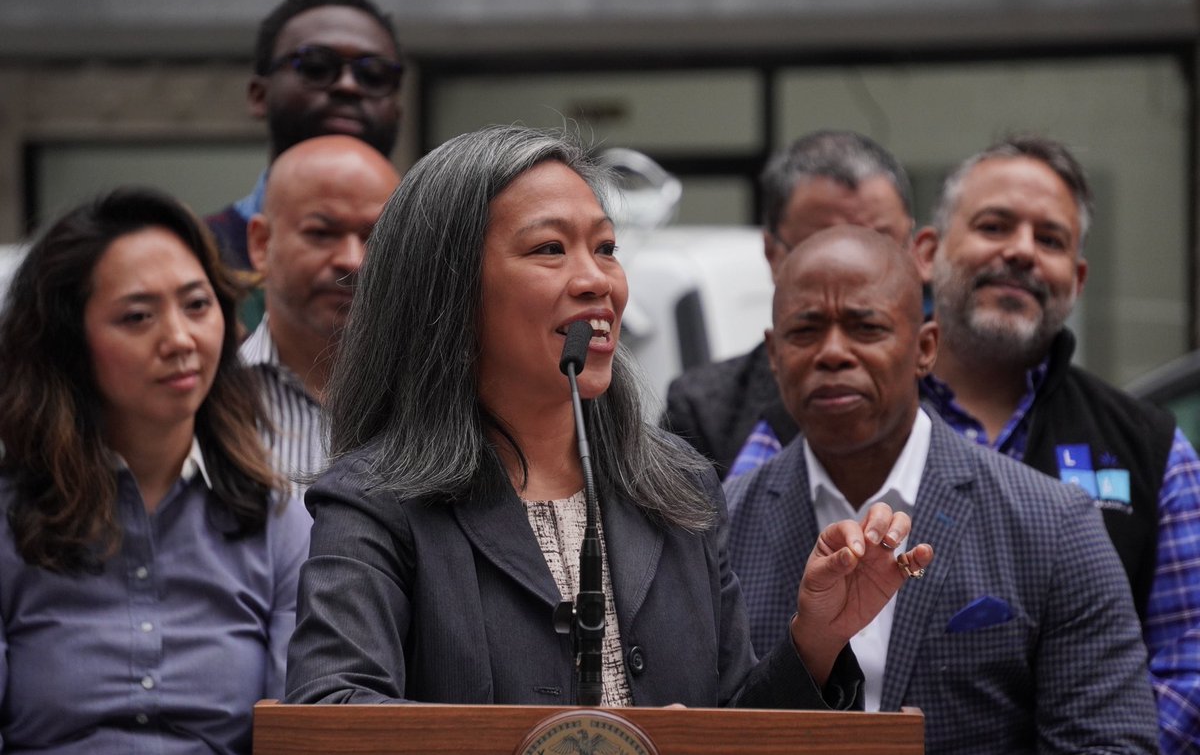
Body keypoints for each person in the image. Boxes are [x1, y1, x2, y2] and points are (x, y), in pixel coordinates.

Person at [284, 124, 933, 708]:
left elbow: (735, 723)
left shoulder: (679, 488)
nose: (597, 280)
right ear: (450, 289)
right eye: (549, 250)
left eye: (606, 247)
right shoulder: (376, 500)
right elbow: (331, 709)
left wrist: (816, 639)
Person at [725, 225, 1158, 753]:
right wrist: (810, 648)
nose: (833, 353)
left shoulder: (1054, 524)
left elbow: (1110, 744)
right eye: (805, 331)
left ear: (925, 348)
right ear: (773, 354)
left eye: (866, 327)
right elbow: (699, 731)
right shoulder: (717, 528)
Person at [912, 134, 1200, 753]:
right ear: (928, 252)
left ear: (1078, 277)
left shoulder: (1152, 449)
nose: (1021, 252)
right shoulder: (850, 423)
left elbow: (1190, 660)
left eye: (1050, 240)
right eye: (994, 226)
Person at [0, 188, 311, 754]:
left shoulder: (279, 522)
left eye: (197, 305)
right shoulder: (8, 520)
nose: (180, 340)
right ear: (68, 341)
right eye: (138, 317)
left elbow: (292, 736)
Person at [662, 130, 915, 480]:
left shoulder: (966, 400)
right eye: (822, 246)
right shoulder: (706, 411)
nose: (854, 267)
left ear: (917, 250)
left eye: (877, 242)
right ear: (773, 255)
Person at [206, 0, 403, 271]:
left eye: (373, 74)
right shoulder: (197, 254)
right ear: (259, 95)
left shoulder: (439, 263)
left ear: (398, 109)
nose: (347, 85)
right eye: (316, 66)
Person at [242, 134, 400, 489]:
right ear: (260, 244)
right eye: (322, 233)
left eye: (374, 236)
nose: (352, 260)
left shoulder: (441, 400)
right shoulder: (205, 403)